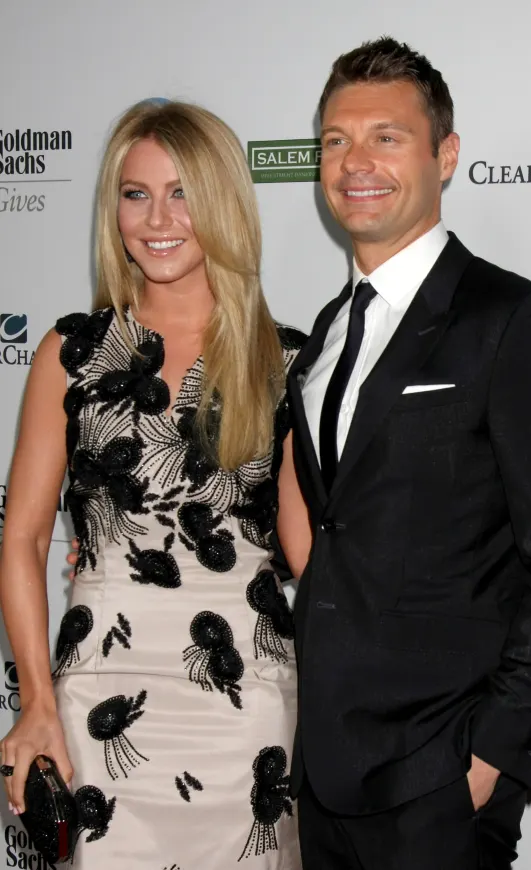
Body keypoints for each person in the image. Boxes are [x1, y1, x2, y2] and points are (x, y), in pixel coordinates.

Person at [287, 36, 531, 870]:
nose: (355, 162)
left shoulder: (518, 323)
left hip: (442, 775)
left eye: (387, 137)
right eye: (336, 141)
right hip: (325, 771)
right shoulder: (325, 335)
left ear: (445, 155)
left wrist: (497, 754)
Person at [0, 99, 311, 869]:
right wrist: (36, 703)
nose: (158, 217)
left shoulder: (288, 363)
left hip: (246, 709)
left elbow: (311, 555)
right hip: (94, 699)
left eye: (183, 193)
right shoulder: (71, 354)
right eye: (136, 193)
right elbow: (25, 537)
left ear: (224, 206)